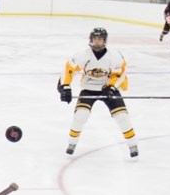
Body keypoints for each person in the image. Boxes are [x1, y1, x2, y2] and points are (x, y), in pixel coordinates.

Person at [57, 27, 139, 159]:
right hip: (88, 88)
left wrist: (112, 87)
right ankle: (72, 143)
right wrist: (65, 86)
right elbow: (69, 69)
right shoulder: (83, 54)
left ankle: (133, 145)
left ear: (104, 40)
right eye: (95, 39)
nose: (97, 41)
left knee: (122, 117)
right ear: (91, 40)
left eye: (100, 39)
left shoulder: (114, 55)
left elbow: (120, 73)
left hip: (109, 88)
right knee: (80, 116)